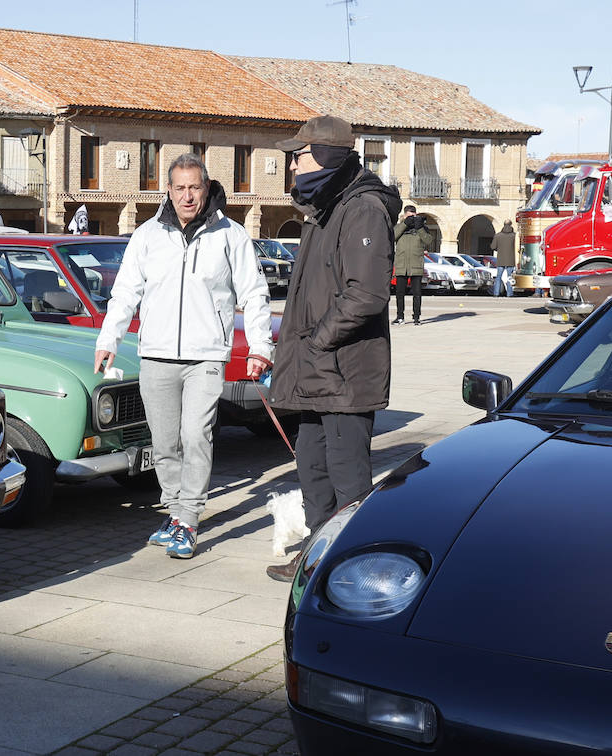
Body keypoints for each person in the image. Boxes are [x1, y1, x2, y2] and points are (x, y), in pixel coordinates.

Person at [94, 153, 273, 559]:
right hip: (156, 354)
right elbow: (124, 293)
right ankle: (175, 511)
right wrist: (109, 340)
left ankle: (188, 520)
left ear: (206, 188)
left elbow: (255, 294)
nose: (188, 196)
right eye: (180, 188)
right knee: (163, 443)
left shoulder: (231, 235)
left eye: (195, 187)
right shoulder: (146, 235)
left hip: (206, 356)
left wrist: (261, 347)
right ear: (168, 190)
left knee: (196, 434)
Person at [265, 115, 401, 582]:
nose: (293, 167)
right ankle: (318, 550)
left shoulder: (361, 208)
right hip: (318, 371)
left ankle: (351, 563)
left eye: (298, 156)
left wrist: (318, 342)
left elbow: (365, 294)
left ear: (324, 157)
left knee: (347, 479)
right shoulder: (326, 206)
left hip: (343, 372)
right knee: (312, 463)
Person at [392, 206, 431, 324]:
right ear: (404, 215)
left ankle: (416, 317)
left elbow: (428, 240)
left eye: (413, 217)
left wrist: (419, 227)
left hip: (416, 265)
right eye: (408, 216)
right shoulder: (399, 227)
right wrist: (405, 224)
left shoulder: (422, 228)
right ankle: (400, 317)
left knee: (417, 293)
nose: (411, 219)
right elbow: (392, 237)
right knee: (399, 293)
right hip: (401, 265)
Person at [491, 220, 516, 297]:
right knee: (509, 277)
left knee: (498, 277)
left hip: (501, 259)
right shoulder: (514, 236)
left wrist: (499, 249)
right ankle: (509, 293)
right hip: (511, 259)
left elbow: (493, 247)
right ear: (511, 225)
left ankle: (496, 293)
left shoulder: (498, 235)